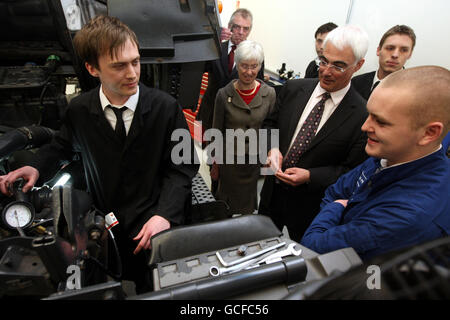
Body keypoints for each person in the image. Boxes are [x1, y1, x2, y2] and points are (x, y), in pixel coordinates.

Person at [0, 15, 199, 292]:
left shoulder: (166, 108)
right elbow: (61, 147)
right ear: (93, 69)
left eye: (135, 61)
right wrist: (35, 167)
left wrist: (165, 214)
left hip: (155, 225)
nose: (132, 73)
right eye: (119, 66)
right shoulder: (80, 110)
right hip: (106, 229)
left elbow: (183, 168)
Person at [301, 66, 450, 261]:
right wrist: (339, 210)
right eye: (369, 114)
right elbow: (335, 191)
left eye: (381, 122)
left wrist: (337, 209)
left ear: (428, 133)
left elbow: (313, 245)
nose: (365, 126)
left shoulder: (407, 216)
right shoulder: (391, 154)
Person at [259, 25, 370, 242]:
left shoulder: (362, 115)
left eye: (338, 66)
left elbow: (352, 171)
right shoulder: (293, 88)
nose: (326, 71)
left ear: (358, 65)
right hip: (271, 196)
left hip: (311, 207)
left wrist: (311, 176)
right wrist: (272, 149)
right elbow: (269, 124)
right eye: (323, 60)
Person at [209, 40, 275, 215]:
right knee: (225, 205)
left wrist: (270, 166)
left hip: (254, 163)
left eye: (254, 66)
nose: (249, 72)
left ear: (260, 66)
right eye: (244, 66)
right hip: (229, 163)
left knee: (247, 206)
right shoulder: (223, 94)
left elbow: (272, 129)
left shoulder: (269, 94)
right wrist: (214, 165)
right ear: (237, 66)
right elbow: (216, 132)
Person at [196, 8, 265, 135]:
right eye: (237, 27)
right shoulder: (214, 47)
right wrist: (213, 39)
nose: (240, 32)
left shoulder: (255, 56)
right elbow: (198, 67)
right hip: (211, 112)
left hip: (237, 119)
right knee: (209, 151)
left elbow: (258, 89)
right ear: (229, 26)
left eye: (246, 29)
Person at [352, 25, 416, 100]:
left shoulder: (413, 93)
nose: (395, 55)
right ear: (378, 50)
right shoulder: (356, 82)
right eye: (390, 48)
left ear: (410, 54)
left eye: (404, 50)